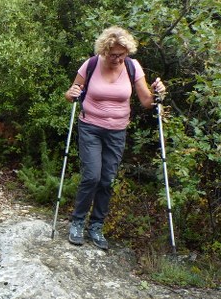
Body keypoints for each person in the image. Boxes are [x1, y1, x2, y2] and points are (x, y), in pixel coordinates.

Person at [64, 26, 166, 250]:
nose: (117, 58)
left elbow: (146, 101)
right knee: (91, 176)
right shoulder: (90, 65)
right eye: (113, 54)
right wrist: (70, 94)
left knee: (107, 179)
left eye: (121, 54)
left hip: (117, 131)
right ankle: (78, 223)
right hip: (90, 126)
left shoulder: (132, 67)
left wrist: (159, 93)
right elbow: (72, 92)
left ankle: (96, 226)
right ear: (104, 50)